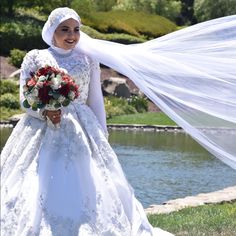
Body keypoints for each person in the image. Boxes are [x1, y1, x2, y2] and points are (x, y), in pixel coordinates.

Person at [1, 7, 174, 236]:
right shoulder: (35, 57)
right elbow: (24, 100)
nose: (71, 35)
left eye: (76, 29)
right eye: (64, 29)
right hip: (41, 126)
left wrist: (102, 134)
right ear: (52, 31)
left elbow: (96, 99)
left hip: (82, 129)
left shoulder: (87, 59)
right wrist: (44, 112)